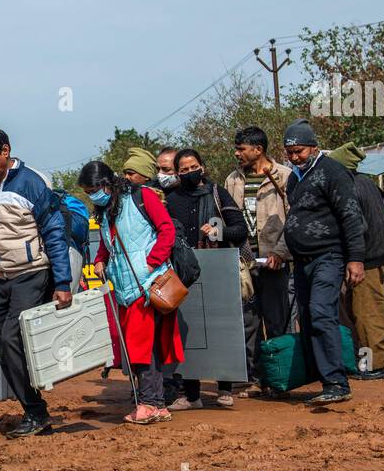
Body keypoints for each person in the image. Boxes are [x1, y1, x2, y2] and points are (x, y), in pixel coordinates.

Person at [0, 127, 72, 439]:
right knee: (1, 340)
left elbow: (54, 232)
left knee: (13, 337)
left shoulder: (32, 183)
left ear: (5, 151)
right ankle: (34, 410)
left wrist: (63, 280)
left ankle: (36, 412)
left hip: (31, 274)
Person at [82, 160, 183, 424]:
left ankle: (149, 403)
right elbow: (108, 244)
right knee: (143, 348)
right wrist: (99, 260)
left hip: (149, 284)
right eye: (88, 191)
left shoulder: (142, 196)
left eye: (94, 189)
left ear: (106, 184)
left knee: (143, 347)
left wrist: (152, 261)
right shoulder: (105, 211)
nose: (92, 195)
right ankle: (156, 404)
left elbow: (167, 230)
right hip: (125, 288)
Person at [282, 119, 365, 405]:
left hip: (328, 256)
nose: (294, 157)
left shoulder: (332, 172)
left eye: (299, 151)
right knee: (306, 318)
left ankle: (337, 382)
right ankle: (322, 378)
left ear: (314, 147)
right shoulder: (294, 178)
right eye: (289, 153)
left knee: (321, 312)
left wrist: (355, 259)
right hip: (301, 260)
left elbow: (351, 216)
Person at [163, 148, 246, 409]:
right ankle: (191, 395)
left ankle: (225, 388)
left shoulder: (217, 193)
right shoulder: (171, 199)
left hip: (217, 270)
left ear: (203, 167)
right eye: (183, 169)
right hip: (184, 272)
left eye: (193, 167)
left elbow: (240, 229)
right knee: (190, 332)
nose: (189, 172)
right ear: (177, 173)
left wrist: (217, 231)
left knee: (221, 327)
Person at [224, 126, 293, 393]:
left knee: (276, 322)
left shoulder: (284, 177)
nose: (237, 153)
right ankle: (252, 379)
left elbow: (293, 221)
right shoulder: (233, 180)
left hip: (275, 263)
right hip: (244, 265)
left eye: (241, 149)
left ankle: (278, 379)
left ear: (258, 150)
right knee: (248, 324)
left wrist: (280, 253)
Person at [326, 144, 384, 380]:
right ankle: (373, 360)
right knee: (365, 312)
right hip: (374, 256)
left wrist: (352, 258)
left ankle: (377, 365)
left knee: (367, 316)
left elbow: (358, 226)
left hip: (365, 260)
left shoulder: (350, 187)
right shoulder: (367, 183)